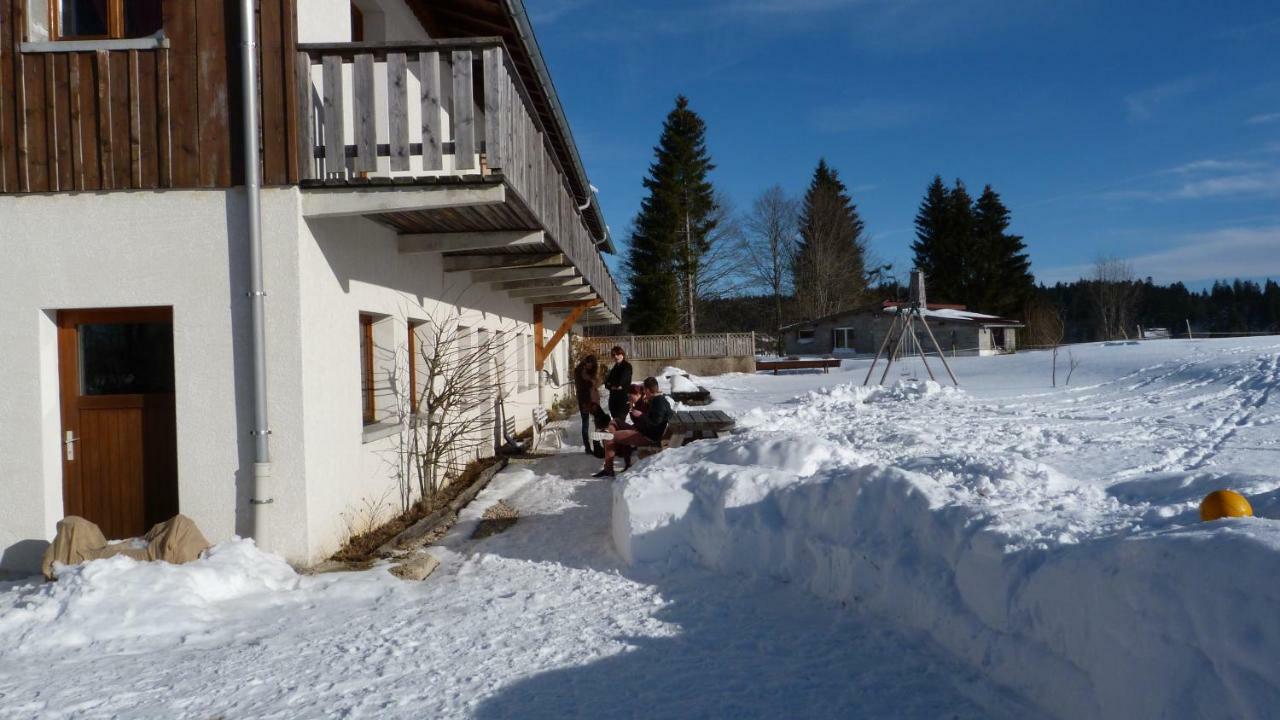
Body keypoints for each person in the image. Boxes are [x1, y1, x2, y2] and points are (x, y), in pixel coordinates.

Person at [594, 377, 673, 478]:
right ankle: (610, 440)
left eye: (644, 390)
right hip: (642, 430)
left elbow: (654, 424)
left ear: (648, 390)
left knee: (609, 437)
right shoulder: (658, 399)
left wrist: (641, 415)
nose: (644, 392)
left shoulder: (658, 402)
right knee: (615, 422)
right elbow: (666, 416)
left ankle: (608, 468)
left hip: (647, 436)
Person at [573, 354, 610, 456]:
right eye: (589, 363)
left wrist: (595, 381)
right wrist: (591, 383)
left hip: (594, 400)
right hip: (585, 401)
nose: (590, 366)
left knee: (599, 421)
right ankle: (588, 447)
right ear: (586, 362)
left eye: (592, 365)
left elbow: (597, 383)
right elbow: (581, 388)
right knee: (586, 423)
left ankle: (598, 445)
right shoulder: (579, 371)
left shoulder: (591, 372)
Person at [604, 345, 633, 423]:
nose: (616, 356)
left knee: (620, 423)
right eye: (613, 355)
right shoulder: (614, 368)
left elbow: (620, 383)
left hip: (622, 400)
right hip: (613, 401)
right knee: (616, 423)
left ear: (622, 354)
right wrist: (612, 386)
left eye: (618, 354)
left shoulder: (627, 366)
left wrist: (612, 385)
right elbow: (606, 383)